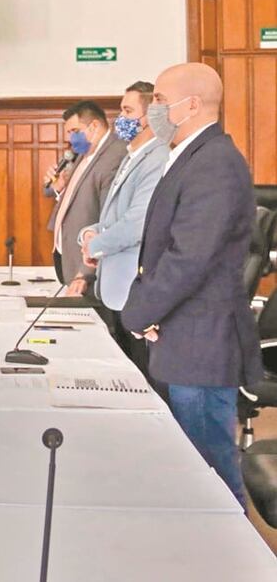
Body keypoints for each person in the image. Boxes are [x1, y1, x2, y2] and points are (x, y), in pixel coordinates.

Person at [121, 63, 263, 509]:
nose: (154, 110)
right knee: (191, 470)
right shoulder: (190, 156)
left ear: (193, 105)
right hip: (183, 337)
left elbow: (189, 257)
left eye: (160, 101)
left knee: (211, 475)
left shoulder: (215, 162)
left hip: (201, 344)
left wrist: (139, 312)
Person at [78, 82, 169, 397]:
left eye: (128, 111)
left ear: (149, 118)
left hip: (135, 287)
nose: (121, 118)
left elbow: (137, 223)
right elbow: (112, 217)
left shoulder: (156, 158)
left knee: (145, 384)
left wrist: (97, 244)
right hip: (116, 286)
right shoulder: (132, 156)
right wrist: (89, 233)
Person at [47, 101, 127, 296]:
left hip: (89, 264)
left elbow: (109, 217)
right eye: (68, 132)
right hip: (68, 256)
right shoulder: (82, 154)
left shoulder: (114, 155)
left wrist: (87, 272)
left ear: (94, 126)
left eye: (75, 130)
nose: (70, 138)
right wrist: (57, 188)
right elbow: (72, 195)